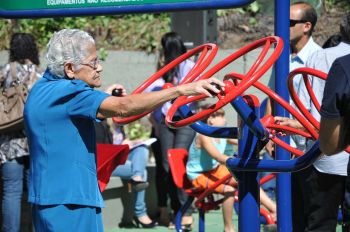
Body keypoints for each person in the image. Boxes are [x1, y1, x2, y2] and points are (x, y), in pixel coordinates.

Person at [23, 28, 224, 231]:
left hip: (47, 196)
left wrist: (104, 97)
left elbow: (70, 115)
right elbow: (123, 107)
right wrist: (183, 89)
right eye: (93, 62)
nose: (99, 67)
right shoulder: (70, 92)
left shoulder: (41, 89)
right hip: (72, 200)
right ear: (69, 68)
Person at [275, 12, 350, 231]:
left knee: (317, 222)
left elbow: (307, 112)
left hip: (325, 157)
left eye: (291, 23)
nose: (286, 27)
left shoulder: (328, 59)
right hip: (329, 154)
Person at [186, 105, 277, 232]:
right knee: (229, 190)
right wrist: (237, 162)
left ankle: (274, 209)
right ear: (210, 119)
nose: (225, 119)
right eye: (221, 116)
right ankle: (228, 228)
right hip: (198, 174)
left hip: (214, 170)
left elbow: (243, 141)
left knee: (247, 179)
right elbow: (217, 156)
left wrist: (265, 141)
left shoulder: (220, 134)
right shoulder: (203, 136)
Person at [0, 33, 41, 232]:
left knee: (11, 192)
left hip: (8, 142)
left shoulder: (4, 71)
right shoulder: (40, 75)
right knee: (35, 191)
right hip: (34, 140)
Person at [157, 32, 196, 228]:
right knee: (166, 165)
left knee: (178, 160)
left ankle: (186, 209)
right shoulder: (163, 68)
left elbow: (197, 93)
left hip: (185, 119)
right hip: (166, 120)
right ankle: (175, 209)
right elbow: (153, 91)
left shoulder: (189, 67)